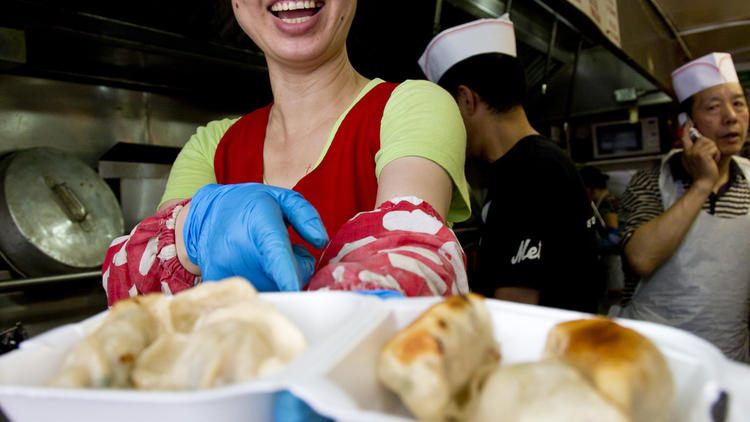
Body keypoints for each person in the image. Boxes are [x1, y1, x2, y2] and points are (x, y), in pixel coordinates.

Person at [102, 0, 473, 305]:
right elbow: (139, 285)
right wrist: (194, 230)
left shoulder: (411, 107)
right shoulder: (213, 145)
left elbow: (408, 249)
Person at [418, 16, 601, 313]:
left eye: (446, 112)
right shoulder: (535, 160)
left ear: (466, 99)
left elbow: (516, 305)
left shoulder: (530, 170)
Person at [618, 52, 750, 363]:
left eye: (739, 103)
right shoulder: (650, 182)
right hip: (657, 358)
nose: (730, 116)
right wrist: (702, 184)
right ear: (686, 125)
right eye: (713, 107)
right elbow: (641, 258)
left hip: (729, 359)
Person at [580, 165, 625, 311]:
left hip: (617, 265)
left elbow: (613, 237)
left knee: (615, 308)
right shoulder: (606, 202)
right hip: (614, 265)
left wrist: (593, 247)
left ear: (590, 188)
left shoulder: (607, 203)